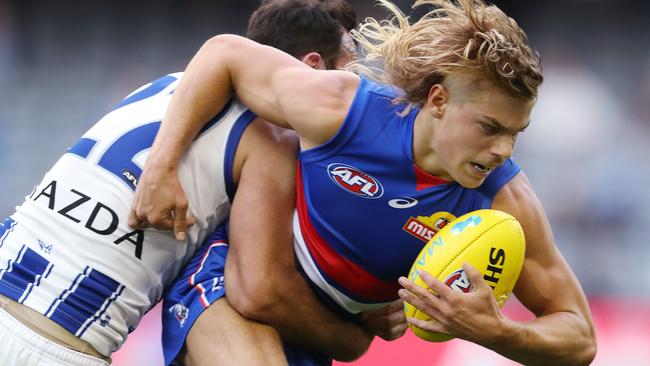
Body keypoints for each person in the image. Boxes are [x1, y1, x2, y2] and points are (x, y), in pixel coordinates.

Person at [132, 0, 598, 365]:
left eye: (516, 133)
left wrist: (495, 330)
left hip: (315, 326)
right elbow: (224, 54)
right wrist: (160, 167)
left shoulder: (503, 200)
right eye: (490, 128)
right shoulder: (346, 110)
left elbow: (578, 336)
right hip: (228, 285)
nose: (504, 150)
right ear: (438, 101)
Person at [0, 1, 392, 365]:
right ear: (315, 67)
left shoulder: (168, 84)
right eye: (351, 73)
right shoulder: (271, 140)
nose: (355, 96)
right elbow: (262, 291)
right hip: (55, 341)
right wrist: (353, 340)